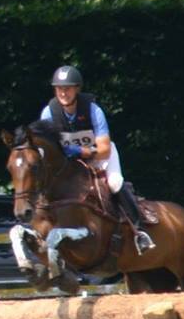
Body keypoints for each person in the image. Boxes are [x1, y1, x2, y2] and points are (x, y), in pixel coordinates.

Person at [40, 64, 155, 253]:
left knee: (115, 183)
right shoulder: (49, 113)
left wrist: (77, 151)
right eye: (59, 88)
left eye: (68, 88)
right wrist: (75, 152)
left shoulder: (93, 110)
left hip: (99, 155)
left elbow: (103, 149)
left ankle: (139, 231)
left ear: (77, 88)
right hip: (72, 162)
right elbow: (51, 148)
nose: (63, 92)